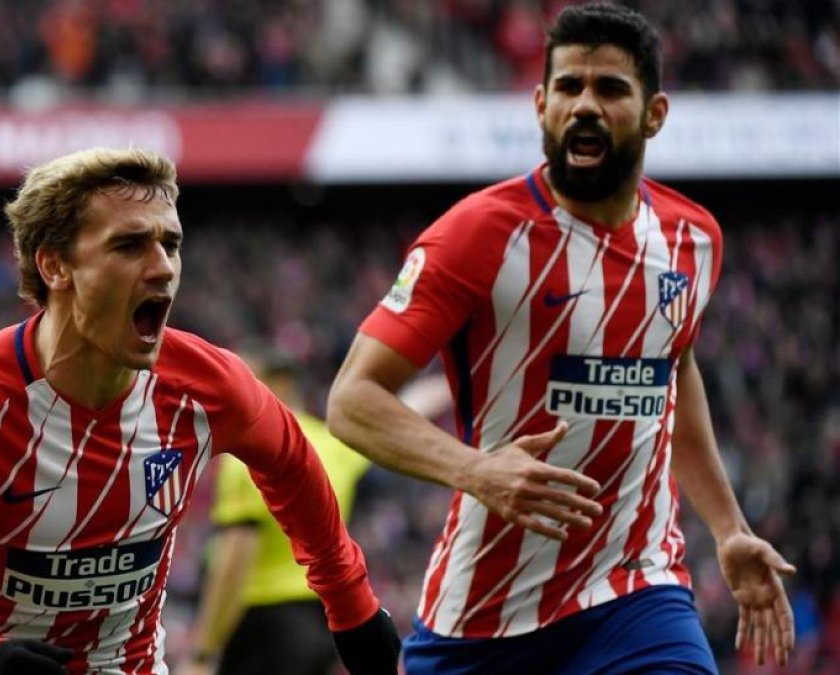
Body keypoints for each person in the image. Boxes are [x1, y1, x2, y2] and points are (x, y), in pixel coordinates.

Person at [326, 4, 796, 674]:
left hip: (638, 594)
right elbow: (351, 398)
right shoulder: (477, 235)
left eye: (610, 89)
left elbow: (674, 367)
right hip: (485, 614)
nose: (585, 105)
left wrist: (728, 527)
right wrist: (477, 470)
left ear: (655, 113)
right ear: (542, 104)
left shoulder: (694, 241)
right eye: (570, 87)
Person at [0, 148, 401, 675]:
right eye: (130, 246)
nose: (163, 268)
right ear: (56, 266)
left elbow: (293, 465)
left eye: (171, 245)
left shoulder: (210, 384)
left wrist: (350, 604)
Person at [183, 352, 374, 675]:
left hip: (263, 624)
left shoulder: (250, 455)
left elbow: (235, 558)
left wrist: (203, 652)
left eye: (245, 381)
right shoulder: (332, 445)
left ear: (279, 384)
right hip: (322, 620)